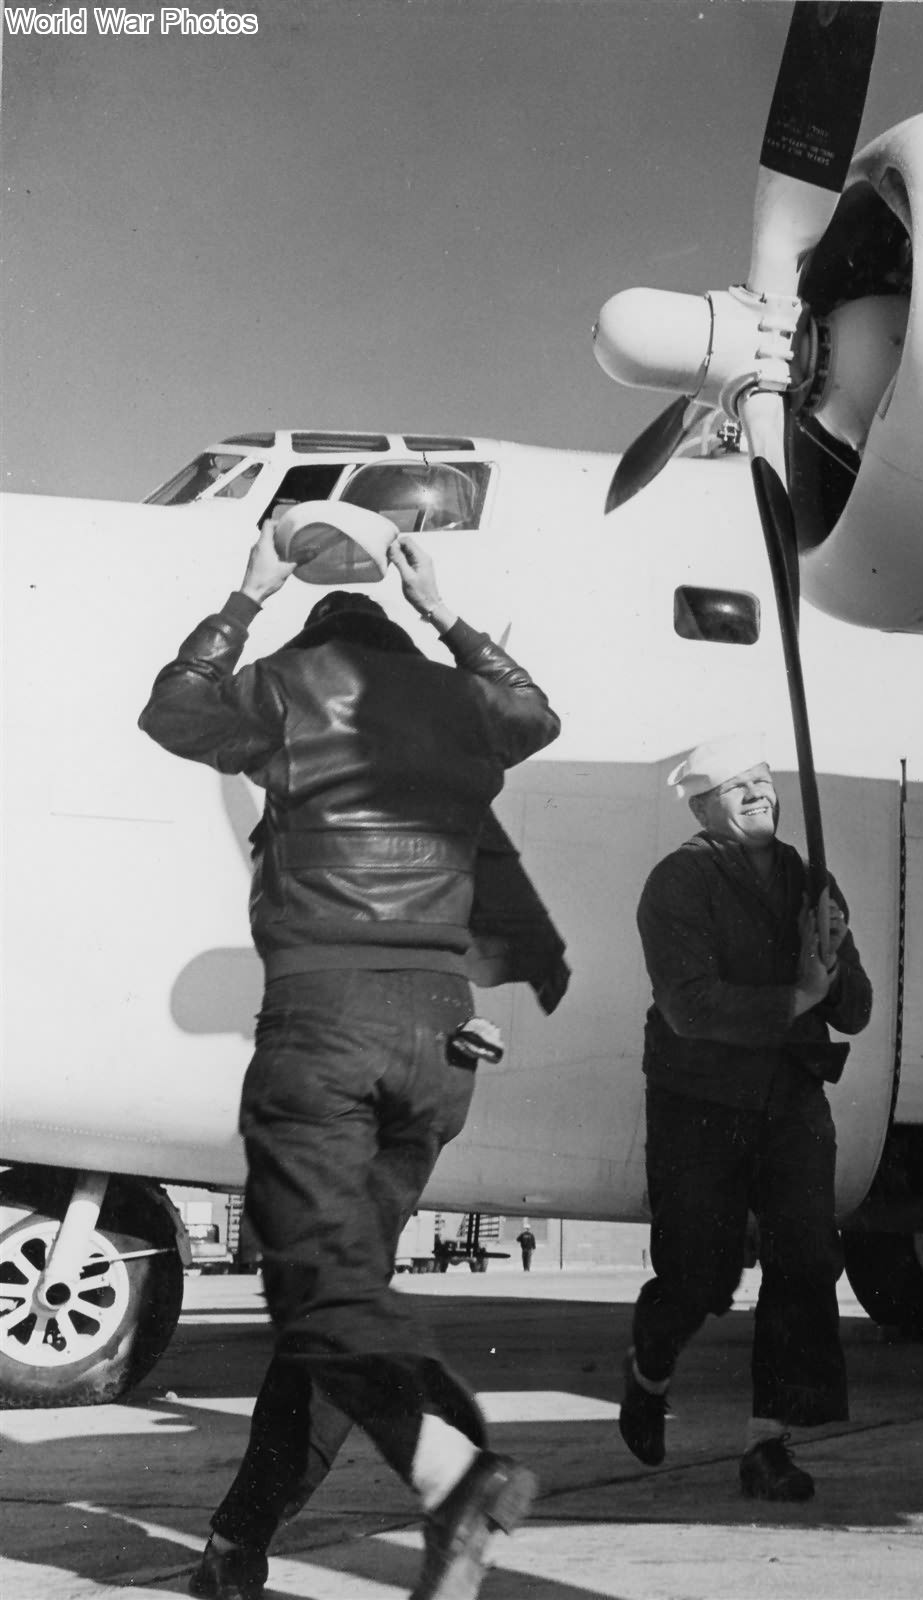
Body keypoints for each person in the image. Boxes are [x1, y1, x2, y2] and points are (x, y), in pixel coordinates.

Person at [138, 525, 567, 1600]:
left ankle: (450, 1473)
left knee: (324, 1299)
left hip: (324, 1021)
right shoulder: (457, 701)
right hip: (437, 1036)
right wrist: (448, 613)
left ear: (317, 626)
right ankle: (239, 1543)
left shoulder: (288, 683)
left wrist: (245, 594)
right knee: (336, 1300)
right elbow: (534, 713)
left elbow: (174, 711)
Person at [618, 732, 872, 1501]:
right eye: (738, 788)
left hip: (790, 1095)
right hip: (699, 1097)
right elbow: (689, 1007)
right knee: (699, 1274)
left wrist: (828, 968)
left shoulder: (810, 881)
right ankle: (647, 1370)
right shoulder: (678, 883)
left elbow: (854, 1010)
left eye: (762, 781)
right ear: (702, 808)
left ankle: (770, 1444)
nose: (759, 794)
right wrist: (796, 995)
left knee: (804, 1262)